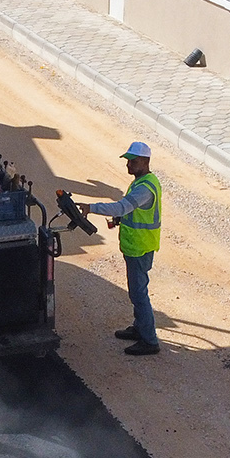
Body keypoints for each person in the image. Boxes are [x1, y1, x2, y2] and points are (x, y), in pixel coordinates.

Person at [67, 142, 163, 356]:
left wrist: (91, 208)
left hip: (139, 247)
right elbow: (131, 211)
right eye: (127, 160)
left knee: (139, 294)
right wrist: (120, 219)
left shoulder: (144, 188)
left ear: (145, 161)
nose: (128, 164)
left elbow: (122, 207)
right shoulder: (143, 181)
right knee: (137, 291)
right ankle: (140, 328)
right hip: (136, 246)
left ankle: (149, 340)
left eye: (133, 161)